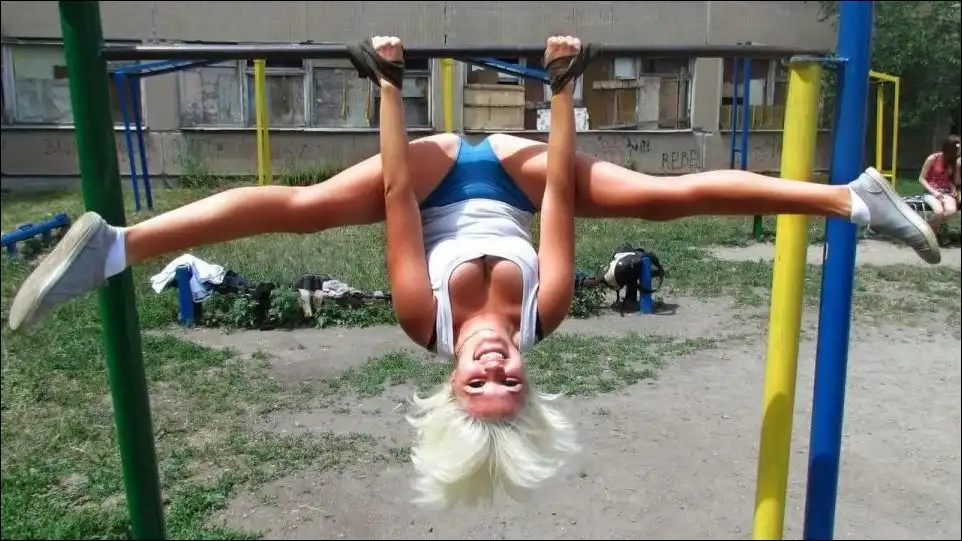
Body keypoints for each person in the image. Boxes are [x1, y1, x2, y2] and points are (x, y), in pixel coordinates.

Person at [5, 34, 942, 507]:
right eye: (509, 383)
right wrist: (562, 88)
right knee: (664, 197)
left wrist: (387, 84)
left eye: (476, 383)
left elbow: (396, 198)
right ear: (526, 376)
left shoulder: (425, 317)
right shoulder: (550, 308)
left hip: (432, 172)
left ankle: (115, 246)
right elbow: (561, 199)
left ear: (450, 381)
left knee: (306, 205)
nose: (494, 366)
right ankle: (853, 198)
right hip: (524, 172)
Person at [917, 134, 960, 242]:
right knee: (939, 212)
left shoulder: (953, 162)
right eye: (955, 150)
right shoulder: (933, 158)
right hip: (931, 191)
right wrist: (934, 192)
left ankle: (927, 230)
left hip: (946, 192)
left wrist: (953, 188)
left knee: (951, 211)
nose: (957, 153)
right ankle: (934, 234)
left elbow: (952, 181)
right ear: (948, 148)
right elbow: (921, 178)